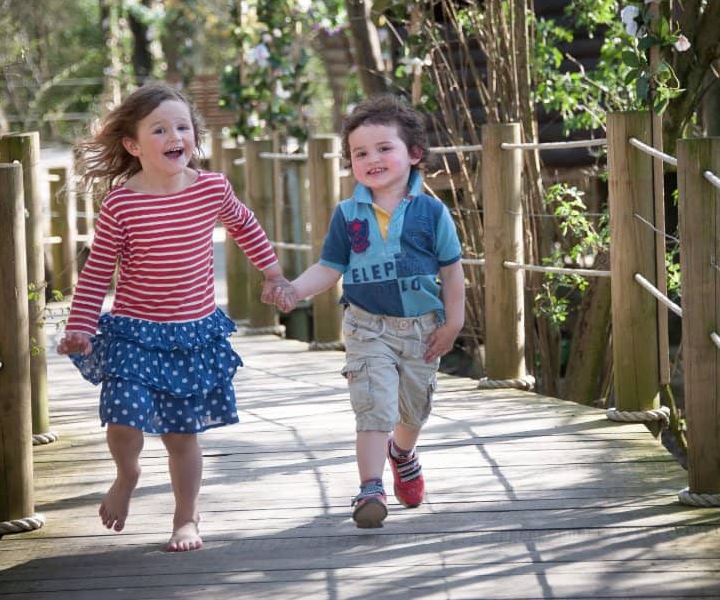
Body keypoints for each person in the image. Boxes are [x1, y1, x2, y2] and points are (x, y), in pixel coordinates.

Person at [57, 82, 288, 552]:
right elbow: (98, 267)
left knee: (182, 437)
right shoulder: (122, 203)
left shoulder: (211, 188)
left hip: (191, 333)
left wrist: (273, 273)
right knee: (122, 420)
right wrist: (81, 324)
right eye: (159, 129)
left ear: (193, 138)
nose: (174, 136)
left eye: (182, 126)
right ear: (132, 145)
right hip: (135, 332)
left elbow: (245, 225)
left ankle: (186, 517)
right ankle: (127, 476)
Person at [267, 94, 465, 528]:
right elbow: (329, 266)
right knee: (373, 405)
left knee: (413, 412)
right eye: (360, 153)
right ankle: (370, 488)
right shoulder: (348, 214)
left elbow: (452, 272)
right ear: (350, 163)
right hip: (366, 326)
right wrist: (293, 290)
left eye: (383, 148)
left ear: (413, 154)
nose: (372, 159)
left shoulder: (432, 213)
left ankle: (403, 452)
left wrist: (453, 324)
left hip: (422, 329)